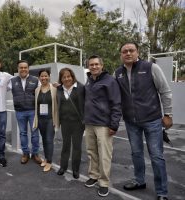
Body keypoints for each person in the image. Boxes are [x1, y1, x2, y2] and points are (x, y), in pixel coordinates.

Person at [115, 42, 173, 200]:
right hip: (131, 121)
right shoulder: (118, 72)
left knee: (156, 155)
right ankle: (139, 180)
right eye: (124, 51)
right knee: (136, 153)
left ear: (137, 52)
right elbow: (114, 95)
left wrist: (167, 114)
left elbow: (165, 91)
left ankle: (162, 192)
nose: (128, 53)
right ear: (121, 54)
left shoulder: (150, 68)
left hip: (152, 120)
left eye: (131, 50)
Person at [83, 55, 122, 197]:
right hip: (89, 123)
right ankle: (93, 175)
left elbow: (116, 103)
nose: (93, 67)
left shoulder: (110, 81)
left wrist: (114, 124)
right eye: (91, 65)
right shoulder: (89, 81)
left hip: (104, 125)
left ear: (102, 65)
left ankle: (104, 182)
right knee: (91, 151)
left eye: (96, 64)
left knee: (104, 155)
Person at [9, 60, 42, 165]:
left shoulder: (35, 80)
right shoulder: (12, 81)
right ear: (18, 69)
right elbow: (0, 89)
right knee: (23, 133)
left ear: (28, 69)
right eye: (21, 67)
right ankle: (25, 153)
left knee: (35, 134)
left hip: (33, 111)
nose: (23, 69)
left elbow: (43, 91)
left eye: (25, 67)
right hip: (20, 111)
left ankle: (35, 153)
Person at [56, 67, 85, 179]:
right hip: (65, 122)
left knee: (77, 147)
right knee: (65, 145)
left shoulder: (81, 87)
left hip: (78, 123)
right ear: (61, 79)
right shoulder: (59, 89)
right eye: (64, 77)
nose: (67, 79)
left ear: (72, 77)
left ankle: (75, 169)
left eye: (69, 76)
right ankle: (63, 167)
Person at [33, 69, 59, 172]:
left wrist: (59, 86)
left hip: (50, 119)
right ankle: (46, 158)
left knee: (49, 140)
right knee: (43, 139)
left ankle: (49, 162)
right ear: (39, 78)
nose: (44, 78)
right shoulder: (37, 90)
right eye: (42, 76)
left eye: (46, 76)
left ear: (49, 76)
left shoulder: (54, 89)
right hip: (40, 119)